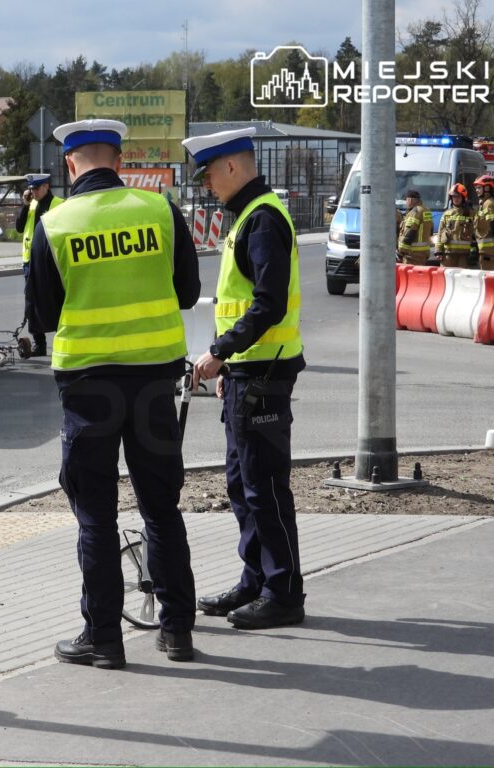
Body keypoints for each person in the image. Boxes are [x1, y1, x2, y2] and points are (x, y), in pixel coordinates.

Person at [29, 119, 200, 668]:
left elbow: (44, 315)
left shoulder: (55, 224)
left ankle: (104, 639)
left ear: (70, 164)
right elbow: (189, 291)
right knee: (161, 509)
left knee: (95, 516)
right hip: (154, 382)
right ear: (119, 161)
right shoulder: (160, 210)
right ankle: (177, 631)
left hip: (88, 387)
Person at [184, 126, 307, 630]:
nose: (207, 185)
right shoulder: (251, 217)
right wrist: (229, 365)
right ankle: (255, 581)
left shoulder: (261, 220)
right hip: (248, 372)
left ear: (232, 167)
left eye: (209, 175)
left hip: (264, 373)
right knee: (243, 484)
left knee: (265, 487)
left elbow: (267, 304)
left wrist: (220, 352)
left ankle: (283, 593)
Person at [16, 173, 63, 356]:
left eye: (36, 188)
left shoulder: (58, 204)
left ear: (46, 186)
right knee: (32, 302)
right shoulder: (32, 204)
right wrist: (25, 205)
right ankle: (39, 344)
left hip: (53, 261)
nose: (33, 192)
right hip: (30, 261)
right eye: (31, 189)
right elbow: (19, 227)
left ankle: (62, 338)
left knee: (57, 299)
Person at [435, 183, 473, 268]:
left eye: (458, 197)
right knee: (445, 275)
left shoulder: (471, 213)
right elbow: (440, 233)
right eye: (453, 197)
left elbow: (476, 232)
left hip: (464, 256)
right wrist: (438, 251)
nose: (456, 199)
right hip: (448, 254)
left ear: (463, 198)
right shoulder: (446, 214)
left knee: (462, 276)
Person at [473, 175, 494, 271]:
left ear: (487, 188)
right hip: (487, 249)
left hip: (488, 250)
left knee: (486, 276)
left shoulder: (488, 204)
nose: (476, 190)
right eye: (476, 188)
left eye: (479, 188)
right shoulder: (489, 202)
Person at [398, 190, 433, 265]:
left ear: (410, 200)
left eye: (406, 200)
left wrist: (401, 252)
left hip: (413, 253)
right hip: (423, 252)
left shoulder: (415, 211)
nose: (406, 203)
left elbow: (410, 232)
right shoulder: (427, 211)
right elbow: (431, 231)